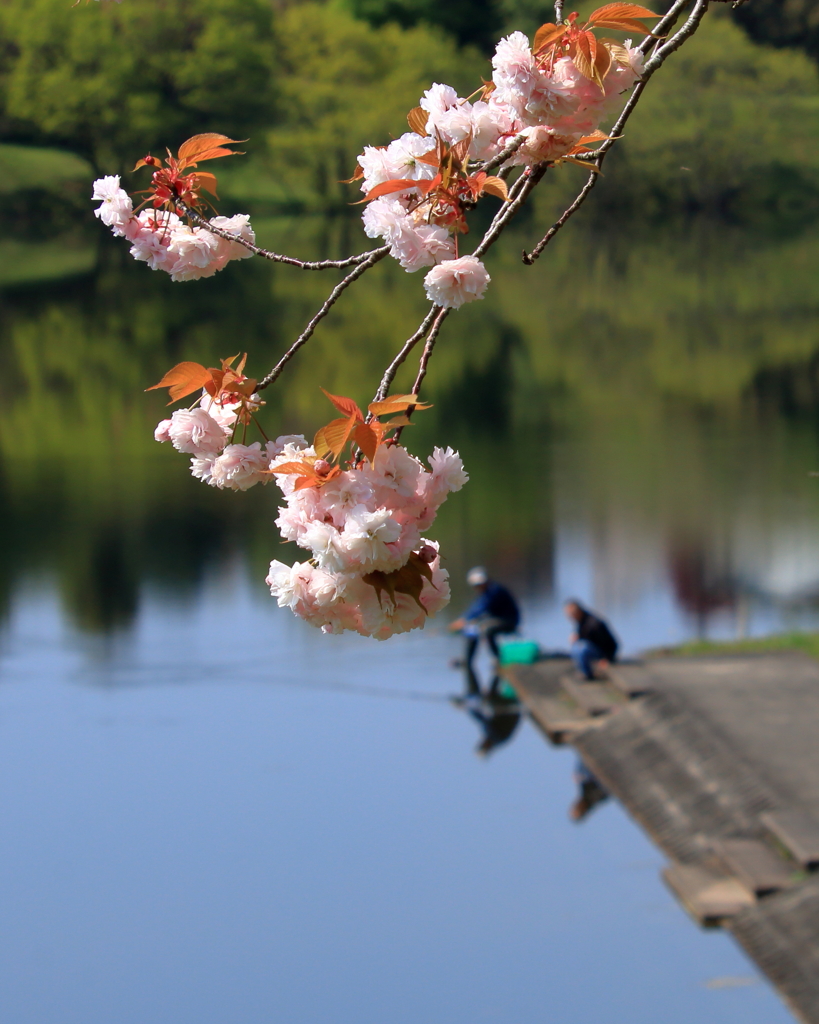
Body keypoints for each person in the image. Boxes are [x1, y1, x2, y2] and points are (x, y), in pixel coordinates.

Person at [449, 567, 520, 668]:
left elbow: (482, 607)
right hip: (498, 619)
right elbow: (476, 608)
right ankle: (468, 661)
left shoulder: (494, 591)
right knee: (472, 629)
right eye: (475, 585)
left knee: (487, 630)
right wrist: (466, 620)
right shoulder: (487, 592)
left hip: (509, 621)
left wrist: (464, 621)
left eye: (478, 585)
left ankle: (499, 659)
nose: (477, 588)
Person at [564, 599, 618, 681]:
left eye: (571, 614)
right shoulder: (581, 621)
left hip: (603, 652)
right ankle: (584, 672)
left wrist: (607, 658)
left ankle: (587, 674)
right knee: (576, 646)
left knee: (581, 648)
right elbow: (586, 636)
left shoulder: (594, 623)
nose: (569, 617)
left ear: (578, 612)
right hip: (594, 648)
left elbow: (612, 644)